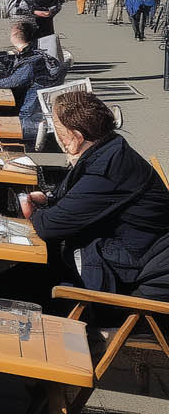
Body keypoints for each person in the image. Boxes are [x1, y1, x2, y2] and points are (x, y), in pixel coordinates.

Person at [20, 91, 169, 300]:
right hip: (129, 253)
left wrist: (33, 212)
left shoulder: (108, 169)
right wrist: (50, 200)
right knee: (18, 276)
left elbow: (50, 226)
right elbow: (81, 199)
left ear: (76, 137)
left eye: (58, 129)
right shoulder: (109, 147)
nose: (54, 133)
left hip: (123, 271)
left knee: (19, 285)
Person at [0, 21, 65, 147]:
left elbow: (10, 82)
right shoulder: (35, 52)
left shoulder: (31, 61)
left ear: (15, 34)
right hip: (35, 107)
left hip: (27, 116)